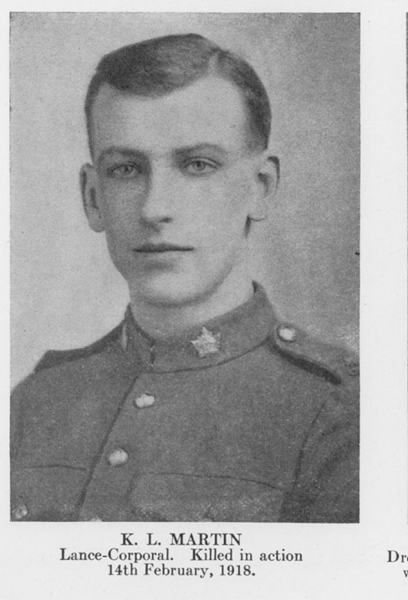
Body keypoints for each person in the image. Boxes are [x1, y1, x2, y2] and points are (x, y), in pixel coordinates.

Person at [10, 33, 359, 522]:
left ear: (260, 188)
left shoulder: (340, 408)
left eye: (197, 165)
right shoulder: (38, 401)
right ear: (92, 197)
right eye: (126, 169)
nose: (155, 209)